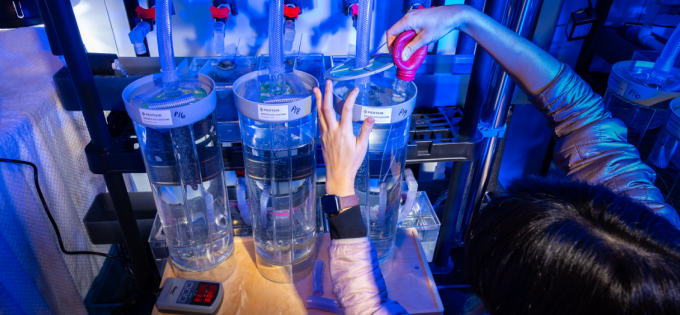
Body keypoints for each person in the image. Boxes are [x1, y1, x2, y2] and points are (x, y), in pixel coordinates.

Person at [314, 4, 680, 315]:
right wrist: (467, 18)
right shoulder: (649, 231)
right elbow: (582, 114)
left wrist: (340, 188)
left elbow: (368, 308)